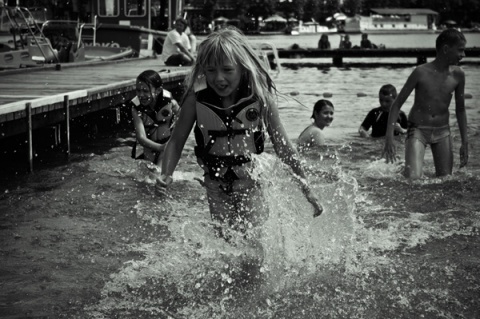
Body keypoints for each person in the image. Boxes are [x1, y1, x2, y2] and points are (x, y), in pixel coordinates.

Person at [156, 27, 323, 237]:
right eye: (210, 70)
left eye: (227, 70)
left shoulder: (260, 97)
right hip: (215, 186)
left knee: (254, 245)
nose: (218, 78)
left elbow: (283, 147)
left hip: (250, 183)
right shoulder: (195, 97)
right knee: (227, 246)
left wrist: (306, 188)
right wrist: (166, 174)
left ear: (242, 68)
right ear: (202, 70)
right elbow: (176, 140)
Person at [382, 29, 468, 179]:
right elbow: (396, 105)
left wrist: (464, 142)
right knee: (413, 179)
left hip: (443, 131)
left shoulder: (459, 75)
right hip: (417, 130)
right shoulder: (420, 72)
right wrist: (389, 138)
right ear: (446, 49)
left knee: (446, 180)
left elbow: (460, 110)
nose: (463, 55)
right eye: (460, 50)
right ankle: (406, 166)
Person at [130, 70, 180, 165]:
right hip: (148, 149)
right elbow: (141, 138)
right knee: (146, 178)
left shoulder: (170, 102)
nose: (141, 95)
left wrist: (173, 141)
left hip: (166, 148)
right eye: (138, 90)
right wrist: (161, 147)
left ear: (158, 91)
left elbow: (183, 120)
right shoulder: (136, 108)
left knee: (158, 174)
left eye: (145, 91)